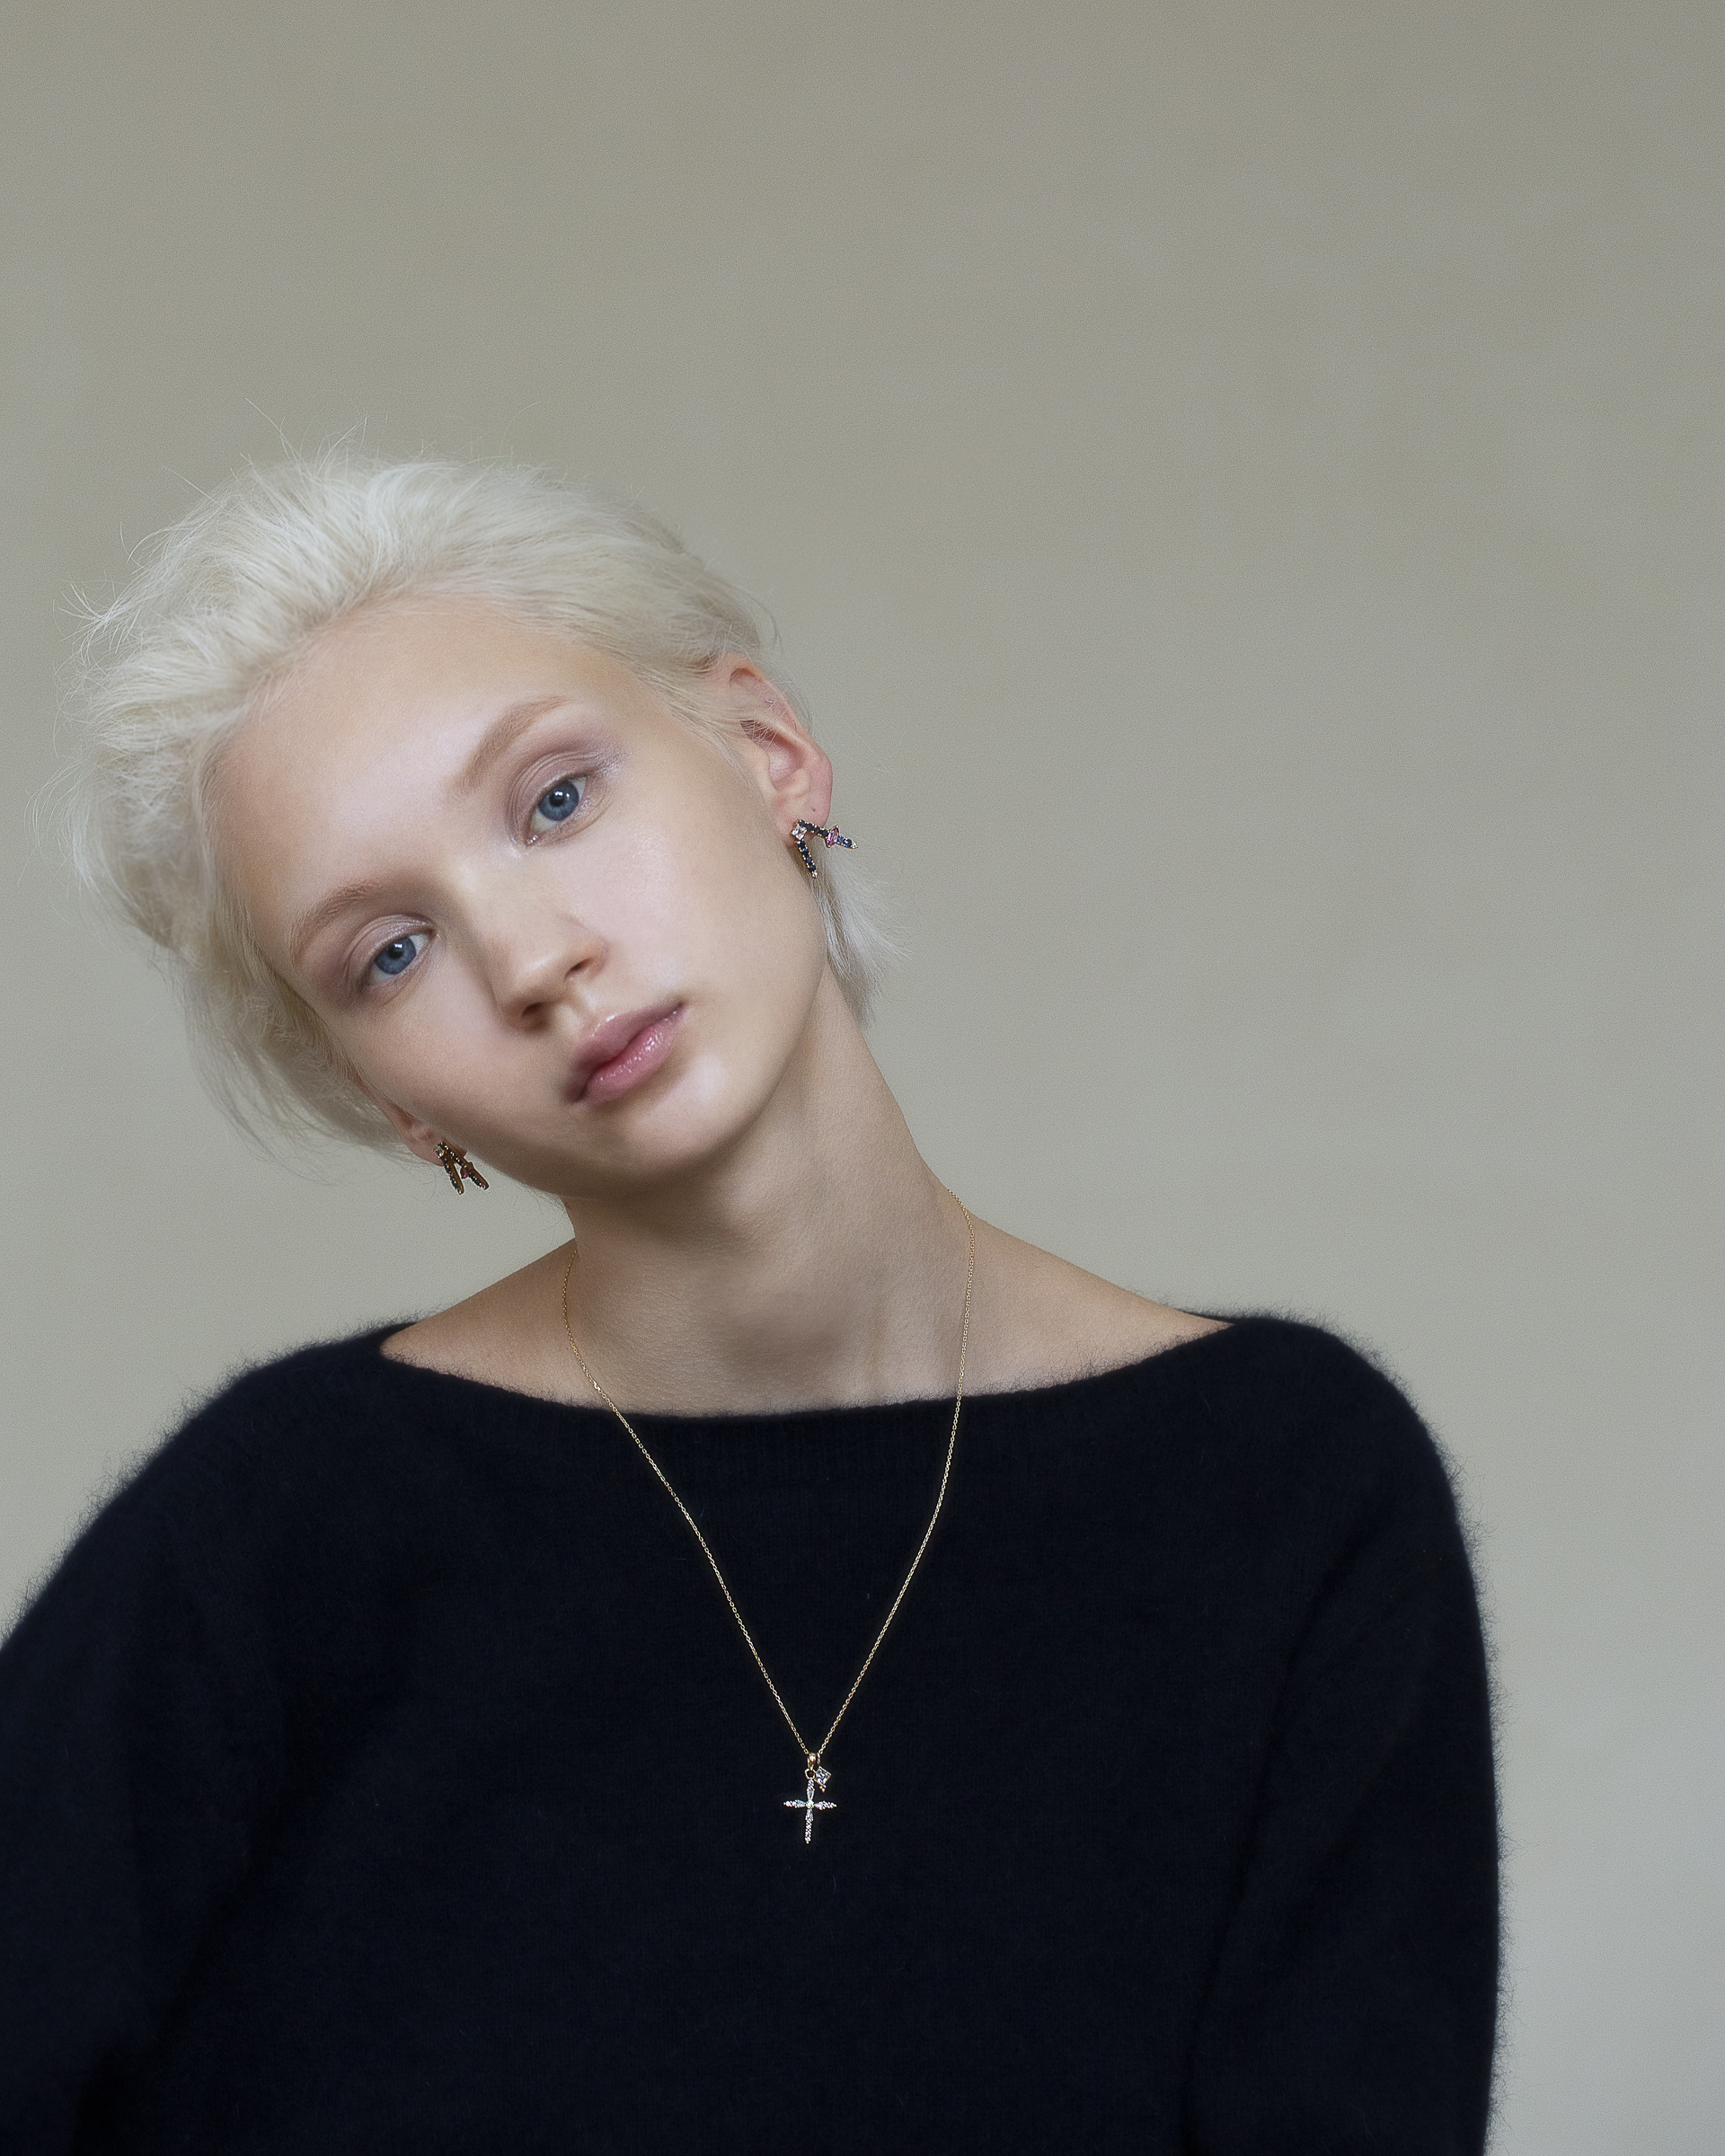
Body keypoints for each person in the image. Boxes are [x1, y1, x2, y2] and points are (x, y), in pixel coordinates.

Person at [1, 455, 1498, 2154]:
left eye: (556, 800)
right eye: (390, 953)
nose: (532, 960)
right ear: (387, 1100)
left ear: (768, 755)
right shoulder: (275, 1531)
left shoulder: (1287, 1491)